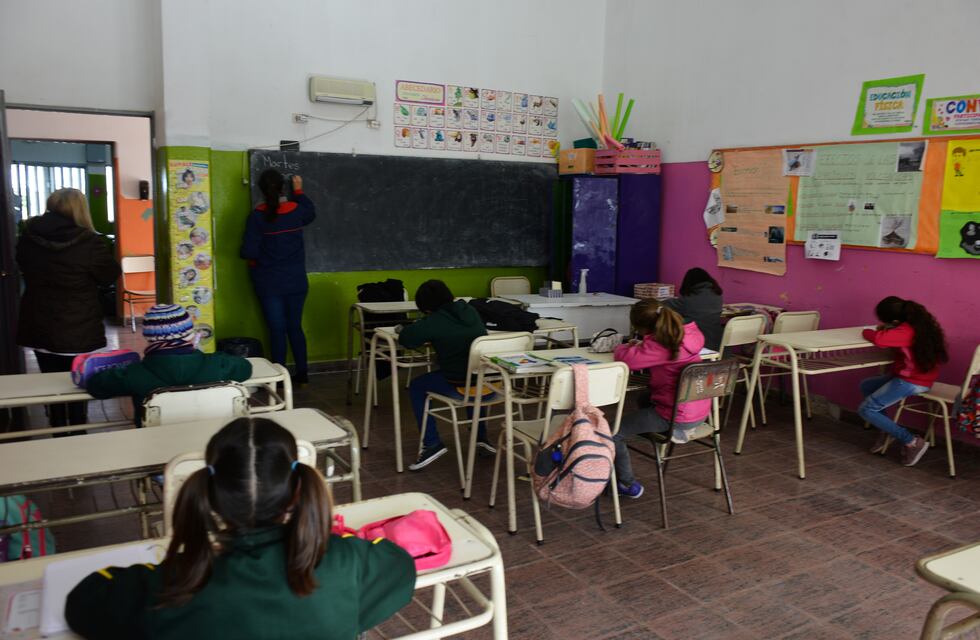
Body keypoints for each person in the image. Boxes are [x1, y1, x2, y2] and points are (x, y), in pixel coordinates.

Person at [65, 417, 415, 639]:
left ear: (212, 493)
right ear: (296, 490)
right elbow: (399, 565)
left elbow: (83, 603)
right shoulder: (346, 562)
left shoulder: (173, 585)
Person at [16, 188, 121, 430]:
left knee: (49, 381)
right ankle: (76, 428)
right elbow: (108, 275)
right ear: (80, 209)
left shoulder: (27, 237)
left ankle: (56, 425)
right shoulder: (89, 241)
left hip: (38, 321)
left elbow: (21, 265)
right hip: (78, 324)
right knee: (76, 382)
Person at [86, 304, 252, 425]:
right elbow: (246, 368)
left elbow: (96, 386)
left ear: (150, 338)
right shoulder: (217, 364)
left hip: (155, 445)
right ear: (189, 336)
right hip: (209, 440)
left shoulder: (134, 373)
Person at [612, 300, 710, 498]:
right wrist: (646, 344)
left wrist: (625, 346)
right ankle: (653, 439)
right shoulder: (689, 335)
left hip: (676, 416)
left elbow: (625, 359)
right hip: (700, 411)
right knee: (645, 397)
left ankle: (627, 485)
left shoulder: (660, 346)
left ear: (642, 328)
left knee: (613, 432)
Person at [398, 280, 493, 470]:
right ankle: (480, 438)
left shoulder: (434, 320)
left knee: (417, 386)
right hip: (491, 384)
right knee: (475, 378)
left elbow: (407, 339)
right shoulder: (470, 311)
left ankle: (432, 443)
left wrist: (404, 328)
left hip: (458, 383)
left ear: (426, 308)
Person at [240, 170, 316, 385]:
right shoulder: (296, 211)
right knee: (295, 327)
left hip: (269, 282)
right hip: (296, 281)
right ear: (284, 188)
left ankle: (278, 377)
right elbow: (310, 212)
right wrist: (299, 190)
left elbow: (249, 251)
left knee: (277, 330)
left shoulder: (257, 217)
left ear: (262, 190)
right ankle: (302, 374)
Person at [859, 296, 948, 466]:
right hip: (916, 376)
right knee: (867, 385)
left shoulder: (905, 331)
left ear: (894, 321)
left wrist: (866, 331)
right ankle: (887, 429)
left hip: (913, 381)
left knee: (866, 409)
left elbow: (880, 339)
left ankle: (912, 441)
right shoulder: (921, 325)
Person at [663, 268, 723, 351]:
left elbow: (667, 305)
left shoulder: (688, 299)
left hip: (696, 341)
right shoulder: (717, 294)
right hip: (717, 340)